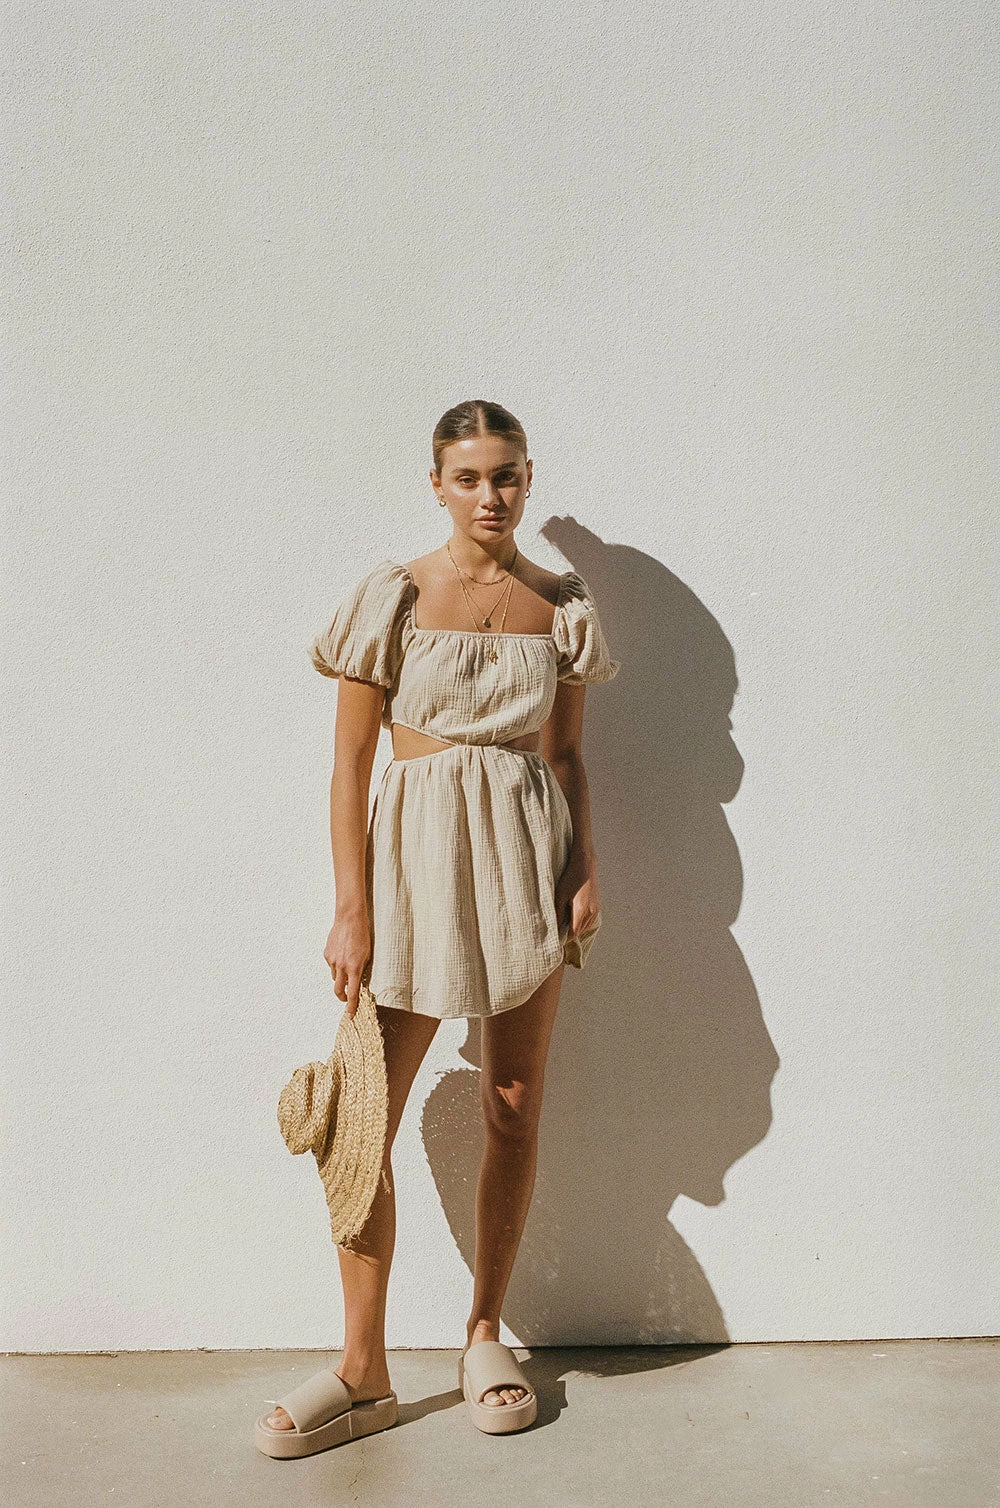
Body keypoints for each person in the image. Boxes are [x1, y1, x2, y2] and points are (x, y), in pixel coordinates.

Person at [261, 399, 620, 1452]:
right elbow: (350, 765)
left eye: (506, 475)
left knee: (513, 1104)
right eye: (469, 477)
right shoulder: (396, 596)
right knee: (359, 1118)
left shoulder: (558, 604)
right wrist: (350, 905)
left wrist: (583, 866)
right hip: (411, 871)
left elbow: (564, 756)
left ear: (528, 477)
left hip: (525, 863)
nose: (490, 495)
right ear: (437, 484)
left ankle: (481, 1332)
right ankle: (362, 1368)